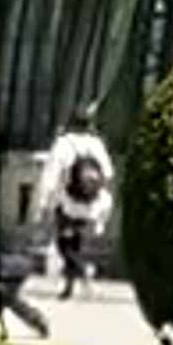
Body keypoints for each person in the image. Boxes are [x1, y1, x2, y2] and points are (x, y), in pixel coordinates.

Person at [33, 113, 119, 301]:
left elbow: (50, 175)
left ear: (70, 124)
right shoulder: (96, 144)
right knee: (75, 244)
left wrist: (42, 203)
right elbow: (109, 173)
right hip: (92, 204)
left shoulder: (63, 144)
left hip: (67, 204)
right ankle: (69, 287)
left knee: (64, 246)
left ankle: (82, 270)